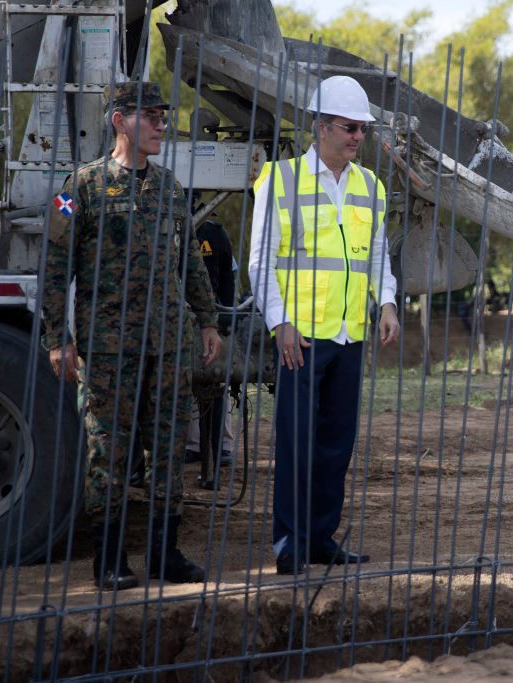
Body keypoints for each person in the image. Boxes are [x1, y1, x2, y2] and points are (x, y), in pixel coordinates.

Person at [41, 82, 222, 590]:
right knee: (109, 450)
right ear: (120, 121)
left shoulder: (169, 187)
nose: (163, 125)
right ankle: (110, 557)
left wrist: (207, 320)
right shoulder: (80, 188)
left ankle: (165, 553)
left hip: (167, 345)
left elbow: (190, 263)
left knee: (165, 448)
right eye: (152, 116)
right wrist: (58, 339)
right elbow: (56, 269)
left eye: (164, 117)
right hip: (107, 347)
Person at [249, 75, 400, 576]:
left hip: (349, 334)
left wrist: (389, 302)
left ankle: (320, 537)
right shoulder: (281, 179)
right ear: (320, 127)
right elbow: (260, 261)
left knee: (337, 441)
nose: (358, 137)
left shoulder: (370, 185)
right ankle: (289, 544)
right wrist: (280, 322)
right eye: (349, 127)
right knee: (296, 441)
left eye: (363, 129)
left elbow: (376, 254)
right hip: (302, 337)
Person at [186, 217, 237, 471]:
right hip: (191, 316)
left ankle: (217, 447)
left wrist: (227, 313)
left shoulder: (215, 232)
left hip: (209, 318)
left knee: (216, 381)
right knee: (196, 383)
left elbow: (229, 273)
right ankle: (197, 446)